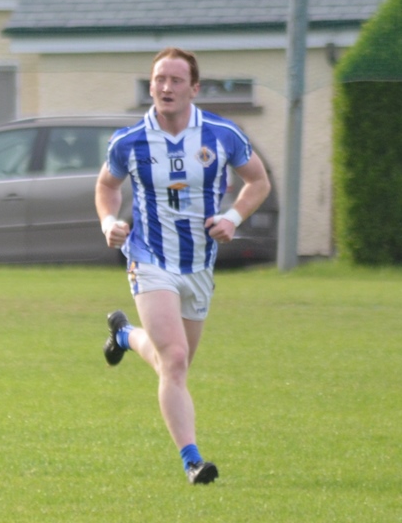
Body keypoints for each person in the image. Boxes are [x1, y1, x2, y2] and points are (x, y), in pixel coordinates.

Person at [96, 47, 271, 486]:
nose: (166, 87)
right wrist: (109, 222)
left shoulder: (220, 134)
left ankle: (123, 335)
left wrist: (233, 218)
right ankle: (193, 461)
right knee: (174, 361)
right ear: (150, 85)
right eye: (159, 79)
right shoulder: (129, 141)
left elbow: (259, 180)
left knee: (171, 363)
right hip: (149, 258)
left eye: (176, 80)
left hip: (198, 265)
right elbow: (106, 186)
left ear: (194, 88)